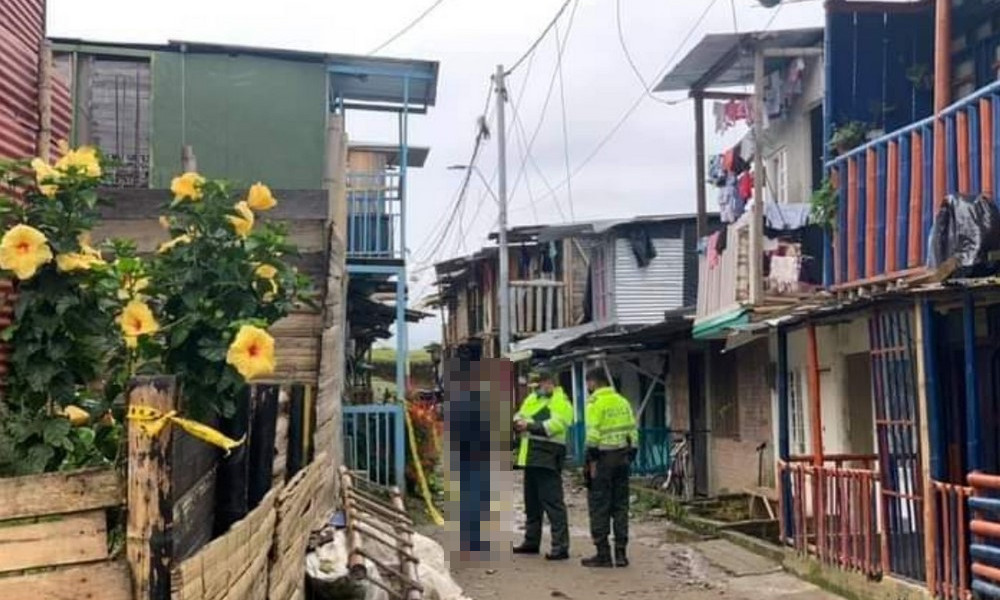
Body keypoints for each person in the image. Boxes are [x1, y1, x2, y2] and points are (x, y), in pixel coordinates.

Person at [512, 370, 574, 560]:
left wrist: (529, 426)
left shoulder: (560, 401)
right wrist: (518, 422)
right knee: (531, 503)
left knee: (553, 503)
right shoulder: (533, 399)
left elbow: (556, 425)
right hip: (530, 456)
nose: (536, 390)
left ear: (549, 383)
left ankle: (560, 546)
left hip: (548, 456)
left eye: (538, 386)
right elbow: (519, 415)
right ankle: (531, 541)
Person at [582, 368, 638, 568]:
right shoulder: (622, 401)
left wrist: (590, 458)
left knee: (599, 505)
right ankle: (621, 554)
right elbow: (632, 430)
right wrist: (632, 450)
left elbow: (593, 434)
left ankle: (603, 554)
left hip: (602, 460)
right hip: (622, 458)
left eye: (588, 384)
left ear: (593, 382)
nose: (588, 387)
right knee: (620, 506)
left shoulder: (594, 403)